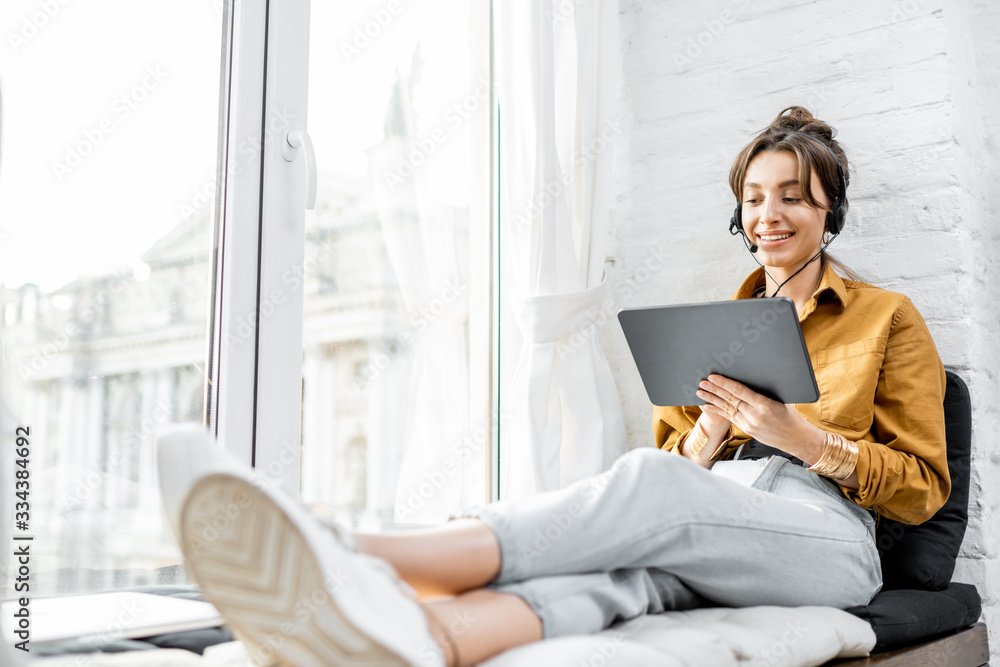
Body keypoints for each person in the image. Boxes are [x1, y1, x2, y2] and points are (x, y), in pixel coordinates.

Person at [157, 106, 949, 667]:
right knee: (626, 573)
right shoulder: (719, 324)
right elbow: (679, 460)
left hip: (830, 541)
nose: (768, 215)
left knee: (648, 484)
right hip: (719, 515)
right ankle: (421, 641)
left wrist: (804, 439)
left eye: (792, 197)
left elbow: (922, 491)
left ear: (828, 210)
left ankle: (359, 552)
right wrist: (707, 437)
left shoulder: (886, 317)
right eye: (753, 199)